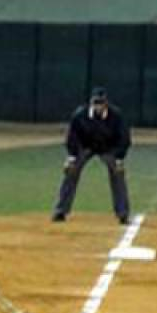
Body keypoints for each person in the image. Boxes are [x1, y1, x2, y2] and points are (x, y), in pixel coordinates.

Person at [52, 87, 132, 224]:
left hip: (108, 148)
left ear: (106, 103)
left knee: (118, 174)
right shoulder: (80, 115)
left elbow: (124, 138)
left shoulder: (116, 116)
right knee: (71, 171)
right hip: (85, 146)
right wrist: (72, 157)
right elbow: (72, 137)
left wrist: (119, 158)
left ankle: (122, 213)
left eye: (101, 103)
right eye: (96, 103)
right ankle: (60, 211)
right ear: (91, 103)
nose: (98, 106)